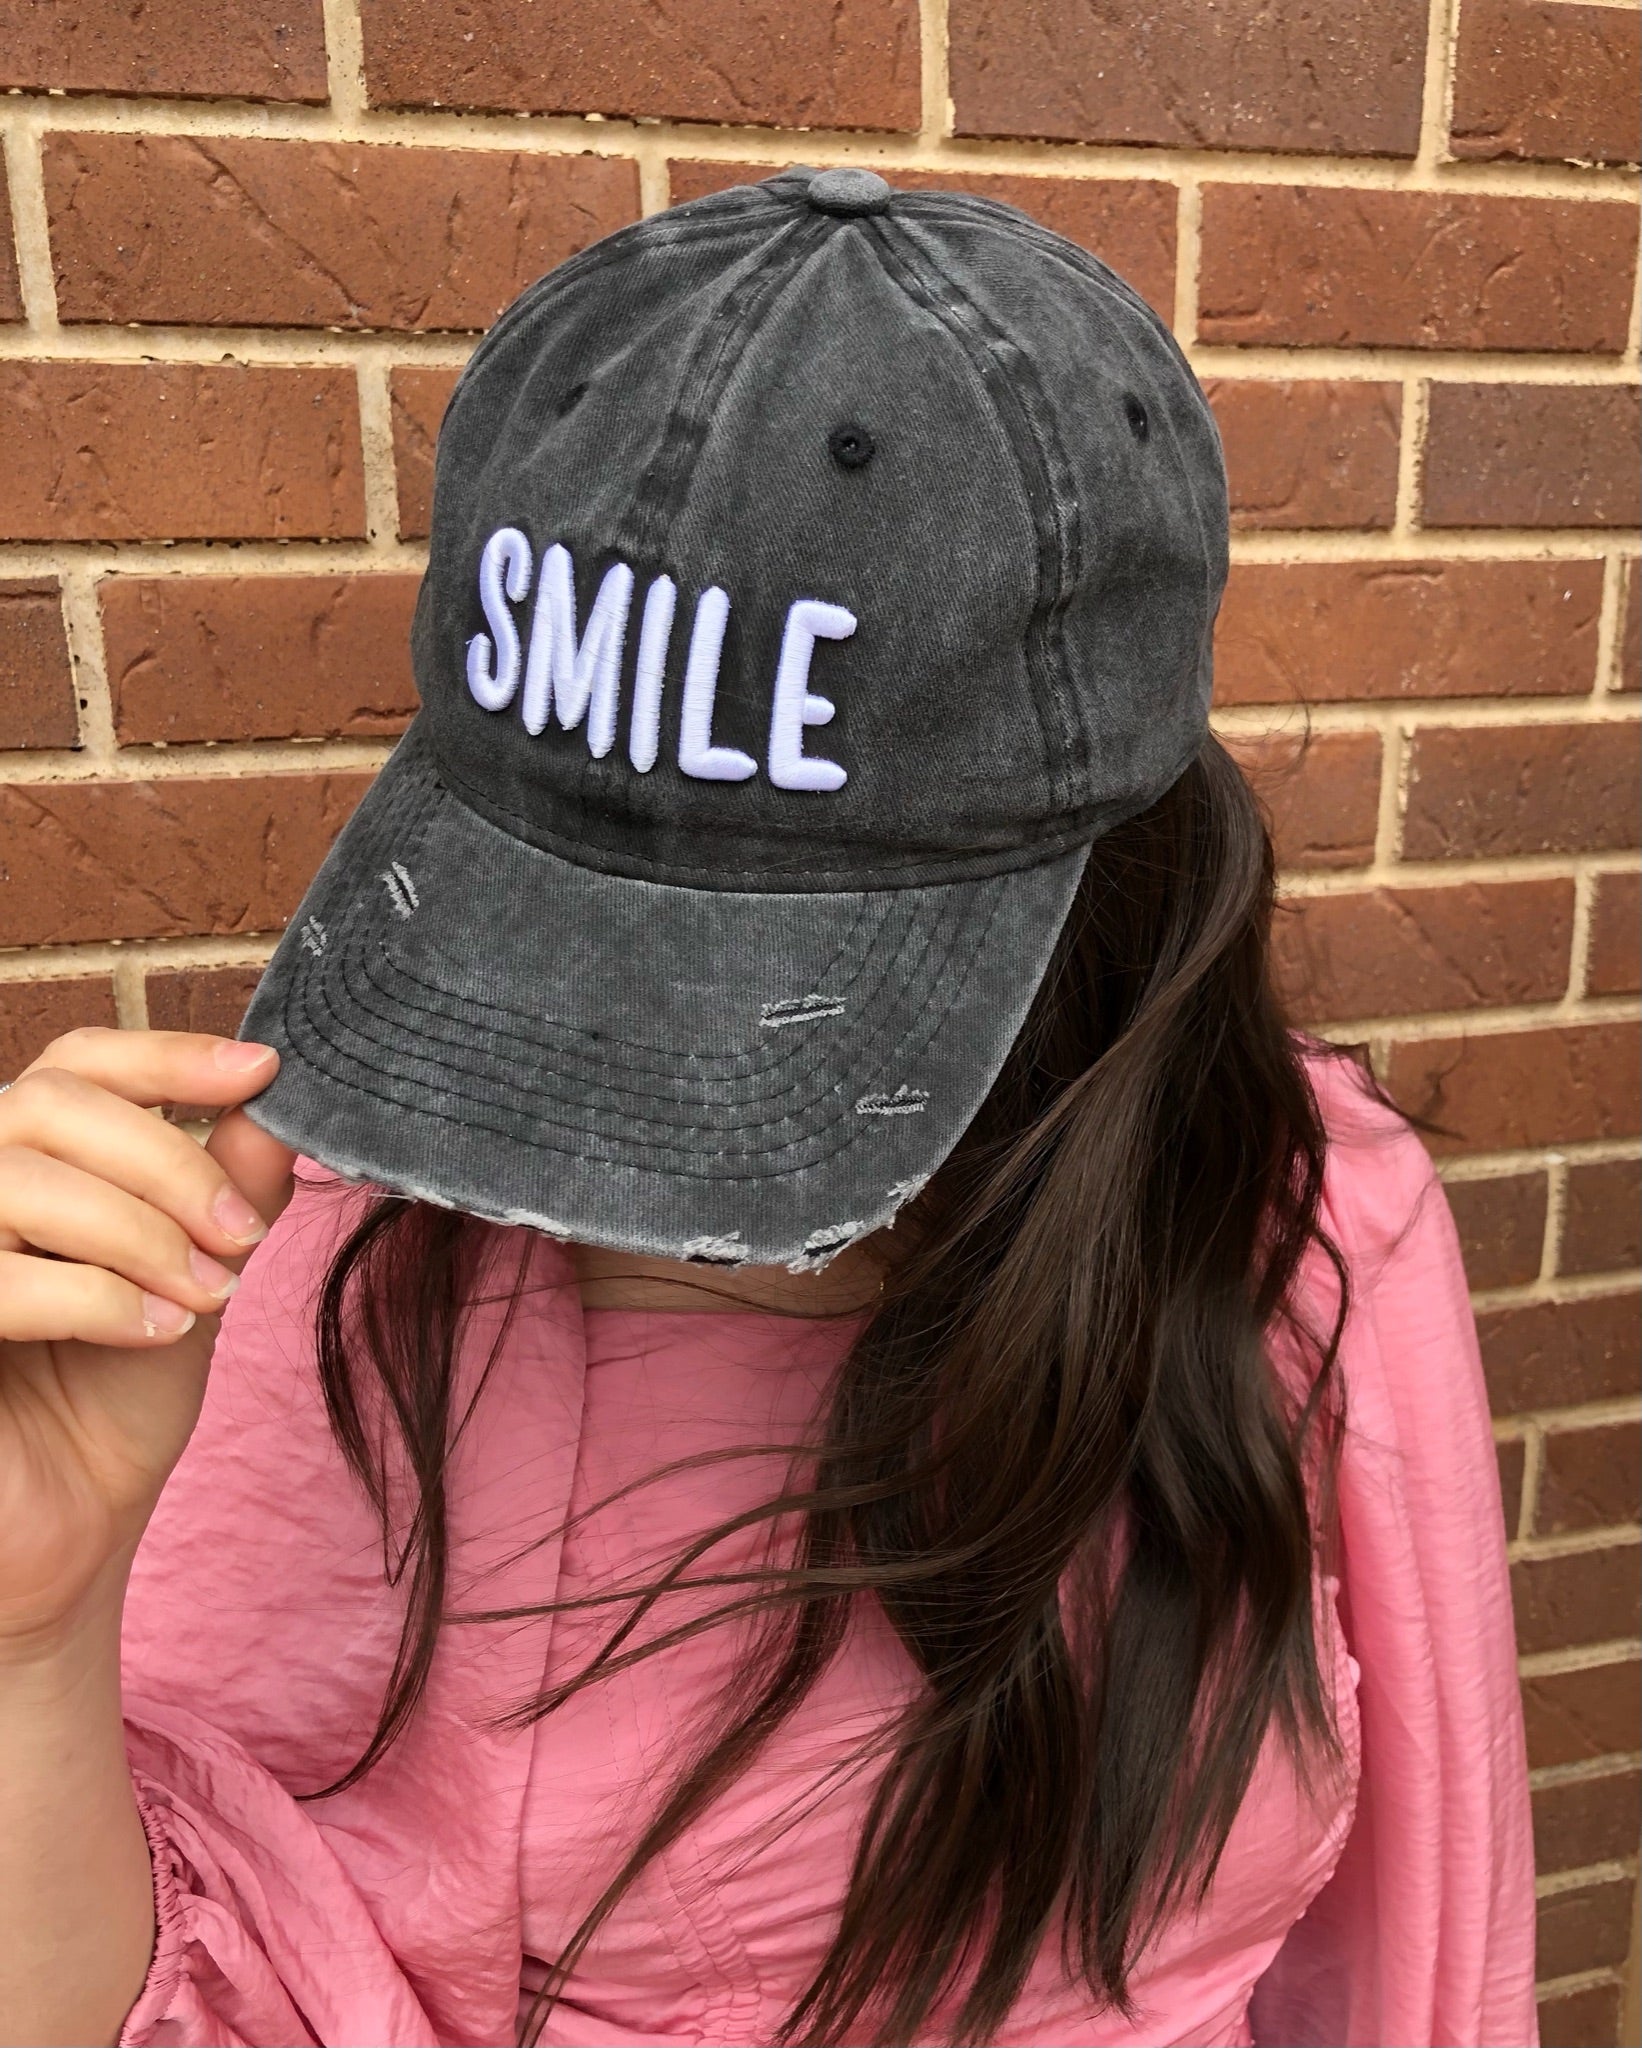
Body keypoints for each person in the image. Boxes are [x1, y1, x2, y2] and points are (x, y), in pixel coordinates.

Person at [0, 169, 1535, 2048]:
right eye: (558, 920)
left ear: (1102, 875)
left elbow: (1422, 1942)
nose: (609, 1120)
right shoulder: (298, 1241)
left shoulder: (1298, 1214)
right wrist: (29, 1642)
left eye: (764, 971)